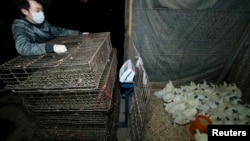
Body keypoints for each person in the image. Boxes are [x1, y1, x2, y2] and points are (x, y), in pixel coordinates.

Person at [12, 0, 87, 56]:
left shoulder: (42, 22)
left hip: (51, 55)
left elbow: (58, 31)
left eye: (42, 10)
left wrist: (78, 33)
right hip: (37, 60)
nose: (41, 13)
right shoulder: (19, 26)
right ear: (25, 11)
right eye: (37, 10)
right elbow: (23, 47)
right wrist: (50, 48)